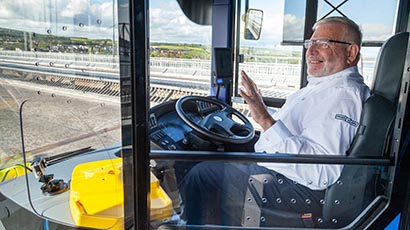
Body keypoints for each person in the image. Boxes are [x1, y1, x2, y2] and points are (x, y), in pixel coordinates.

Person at [179, 16, 371, 227]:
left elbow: (320, 173)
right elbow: (301, 128)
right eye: (310, 43)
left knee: (200, 173)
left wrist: (266, 120)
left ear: (351, 53)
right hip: (283, 170)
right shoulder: (325, 88)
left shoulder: (341, 96)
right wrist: (263, 111)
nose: (311, 51)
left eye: (323, 43)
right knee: (220, 155)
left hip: (296, 187)